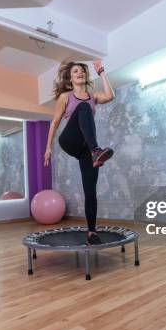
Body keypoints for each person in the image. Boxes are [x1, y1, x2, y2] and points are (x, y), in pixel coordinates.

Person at [44, 60, 115, 244]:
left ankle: (91, 232)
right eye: (75, 71)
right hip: (69, 140)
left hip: (87, 149)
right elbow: (54, 123)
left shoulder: (92, 96)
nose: (80, 73)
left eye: (82, 71)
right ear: (70, 77)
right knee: (83, 107)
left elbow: (110, 95)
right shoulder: (65, 97)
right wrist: (48, 147)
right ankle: (96, 151)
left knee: (90, 190)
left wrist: (101, 72)